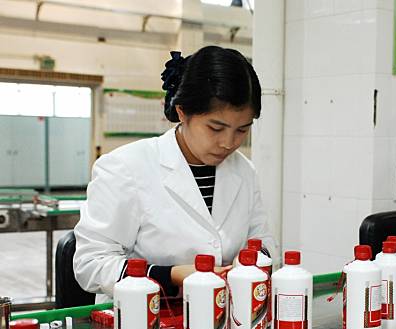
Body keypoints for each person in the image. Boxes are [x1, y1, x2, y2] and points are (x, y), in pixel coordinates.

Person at [74, 47, 276, 303]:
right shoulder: (125, 167)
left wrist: (249, 260)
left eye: (242, 130)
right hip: (143, 318)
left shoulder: (243, 170)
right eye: (216, 128)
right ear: (182, 112)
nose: (228, 143)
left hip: (222, 316)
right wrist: (171, 275)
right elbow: (90, 264)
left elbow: (263, 241)